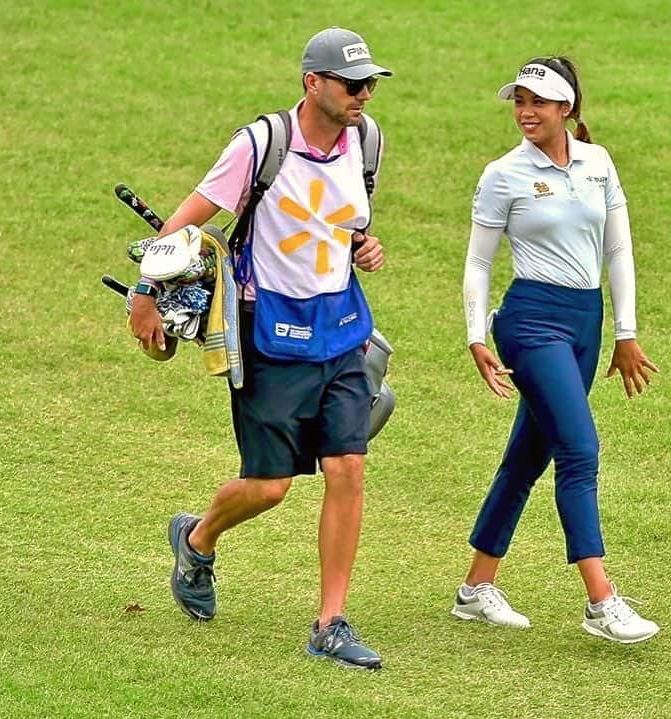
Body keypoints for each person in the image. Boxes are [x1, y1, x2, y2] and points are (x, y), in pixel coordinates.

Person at [129, 27, 391, 669]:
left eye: (369, 84)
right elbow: (183, 221)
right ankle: (197, 538)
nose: (363, 95)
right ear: (313, 83)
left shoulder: (368, 141)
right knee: (269, 486)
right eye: (351, 84)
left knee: (346, 468)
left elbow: (349, 223)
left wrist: (365, 247)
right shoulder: (261, 145)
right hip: (270, 332)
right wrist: (144, 292)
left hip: (343, 330)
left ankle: (331, 623)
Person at [451, 56, 661, 644]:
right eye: (519, 101)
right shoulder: (503, 174)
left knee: (527, 457)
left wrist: (625, 332)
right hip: (530, 323)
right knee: (578, 448)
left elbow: (618, 252)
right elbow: (478, 261)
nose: (525, 112)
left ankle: (475, 589)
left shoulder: (598, 163)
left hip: (584, 322)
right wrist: (476, 334)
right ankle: (601, 601)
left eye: (538, 102)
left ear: (566, 108)